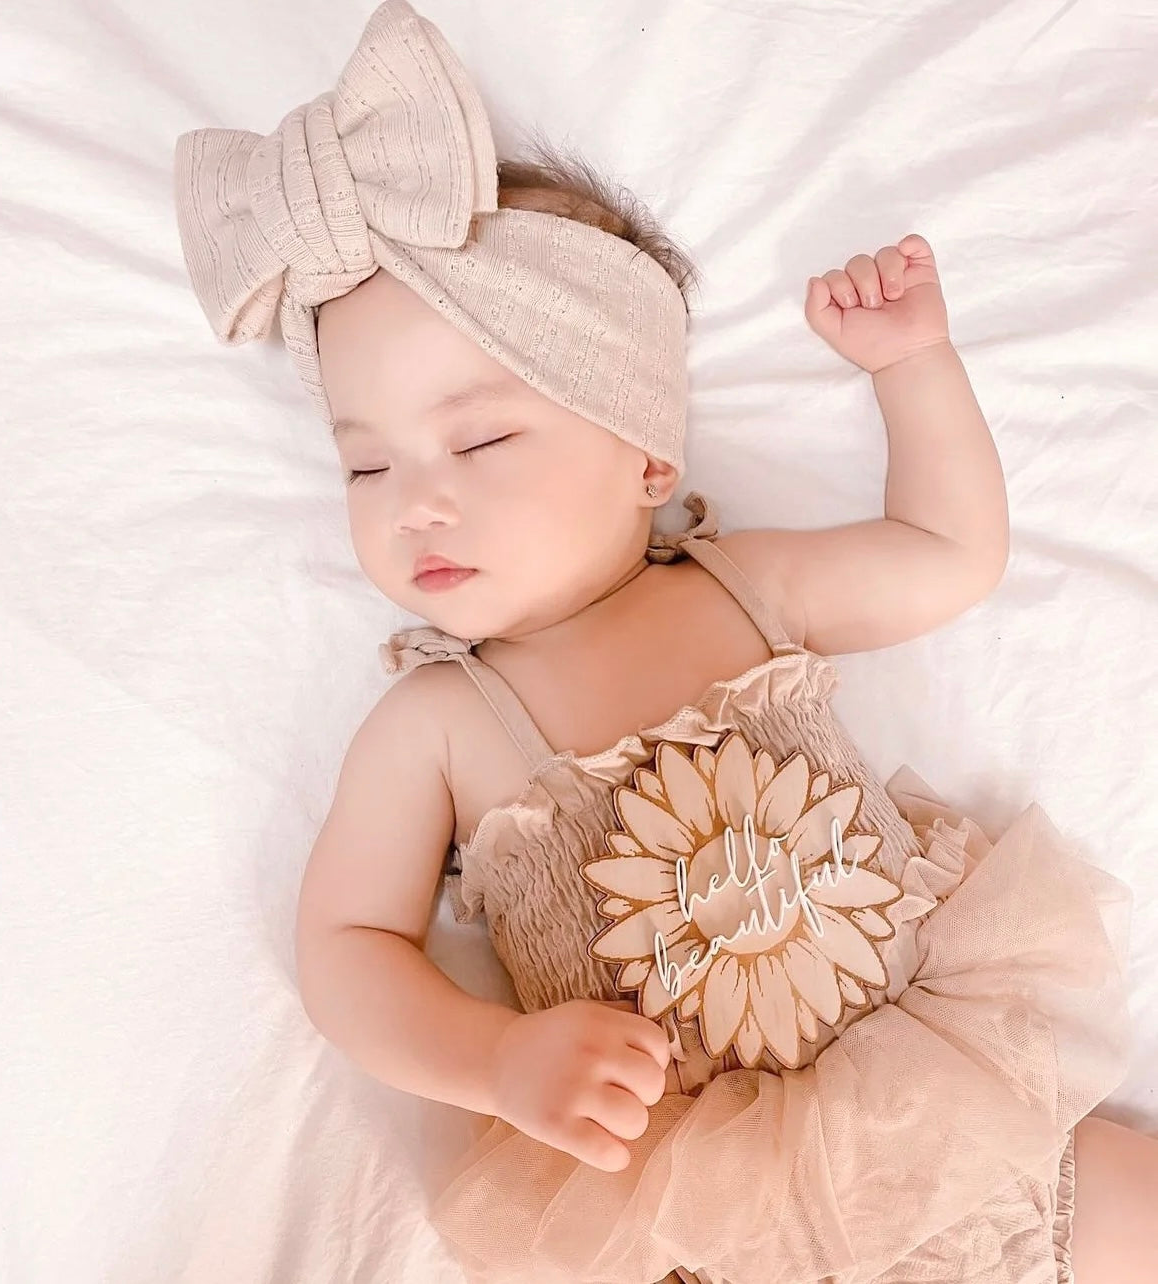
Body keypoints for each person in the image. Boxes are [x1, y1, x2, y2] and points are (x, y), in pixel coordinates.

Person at [173, 3, 1157, 1280]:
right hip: (705, 1220)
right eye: (367, 466)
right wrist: (495, 1061)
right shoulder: (437, 726)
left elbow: (946, 551)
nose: (417, 501)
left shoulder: (743, 592)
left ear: (645, 454)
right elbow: (345, 952)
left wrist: (913, 366)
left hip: (939, 1131)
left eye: (480, 439)